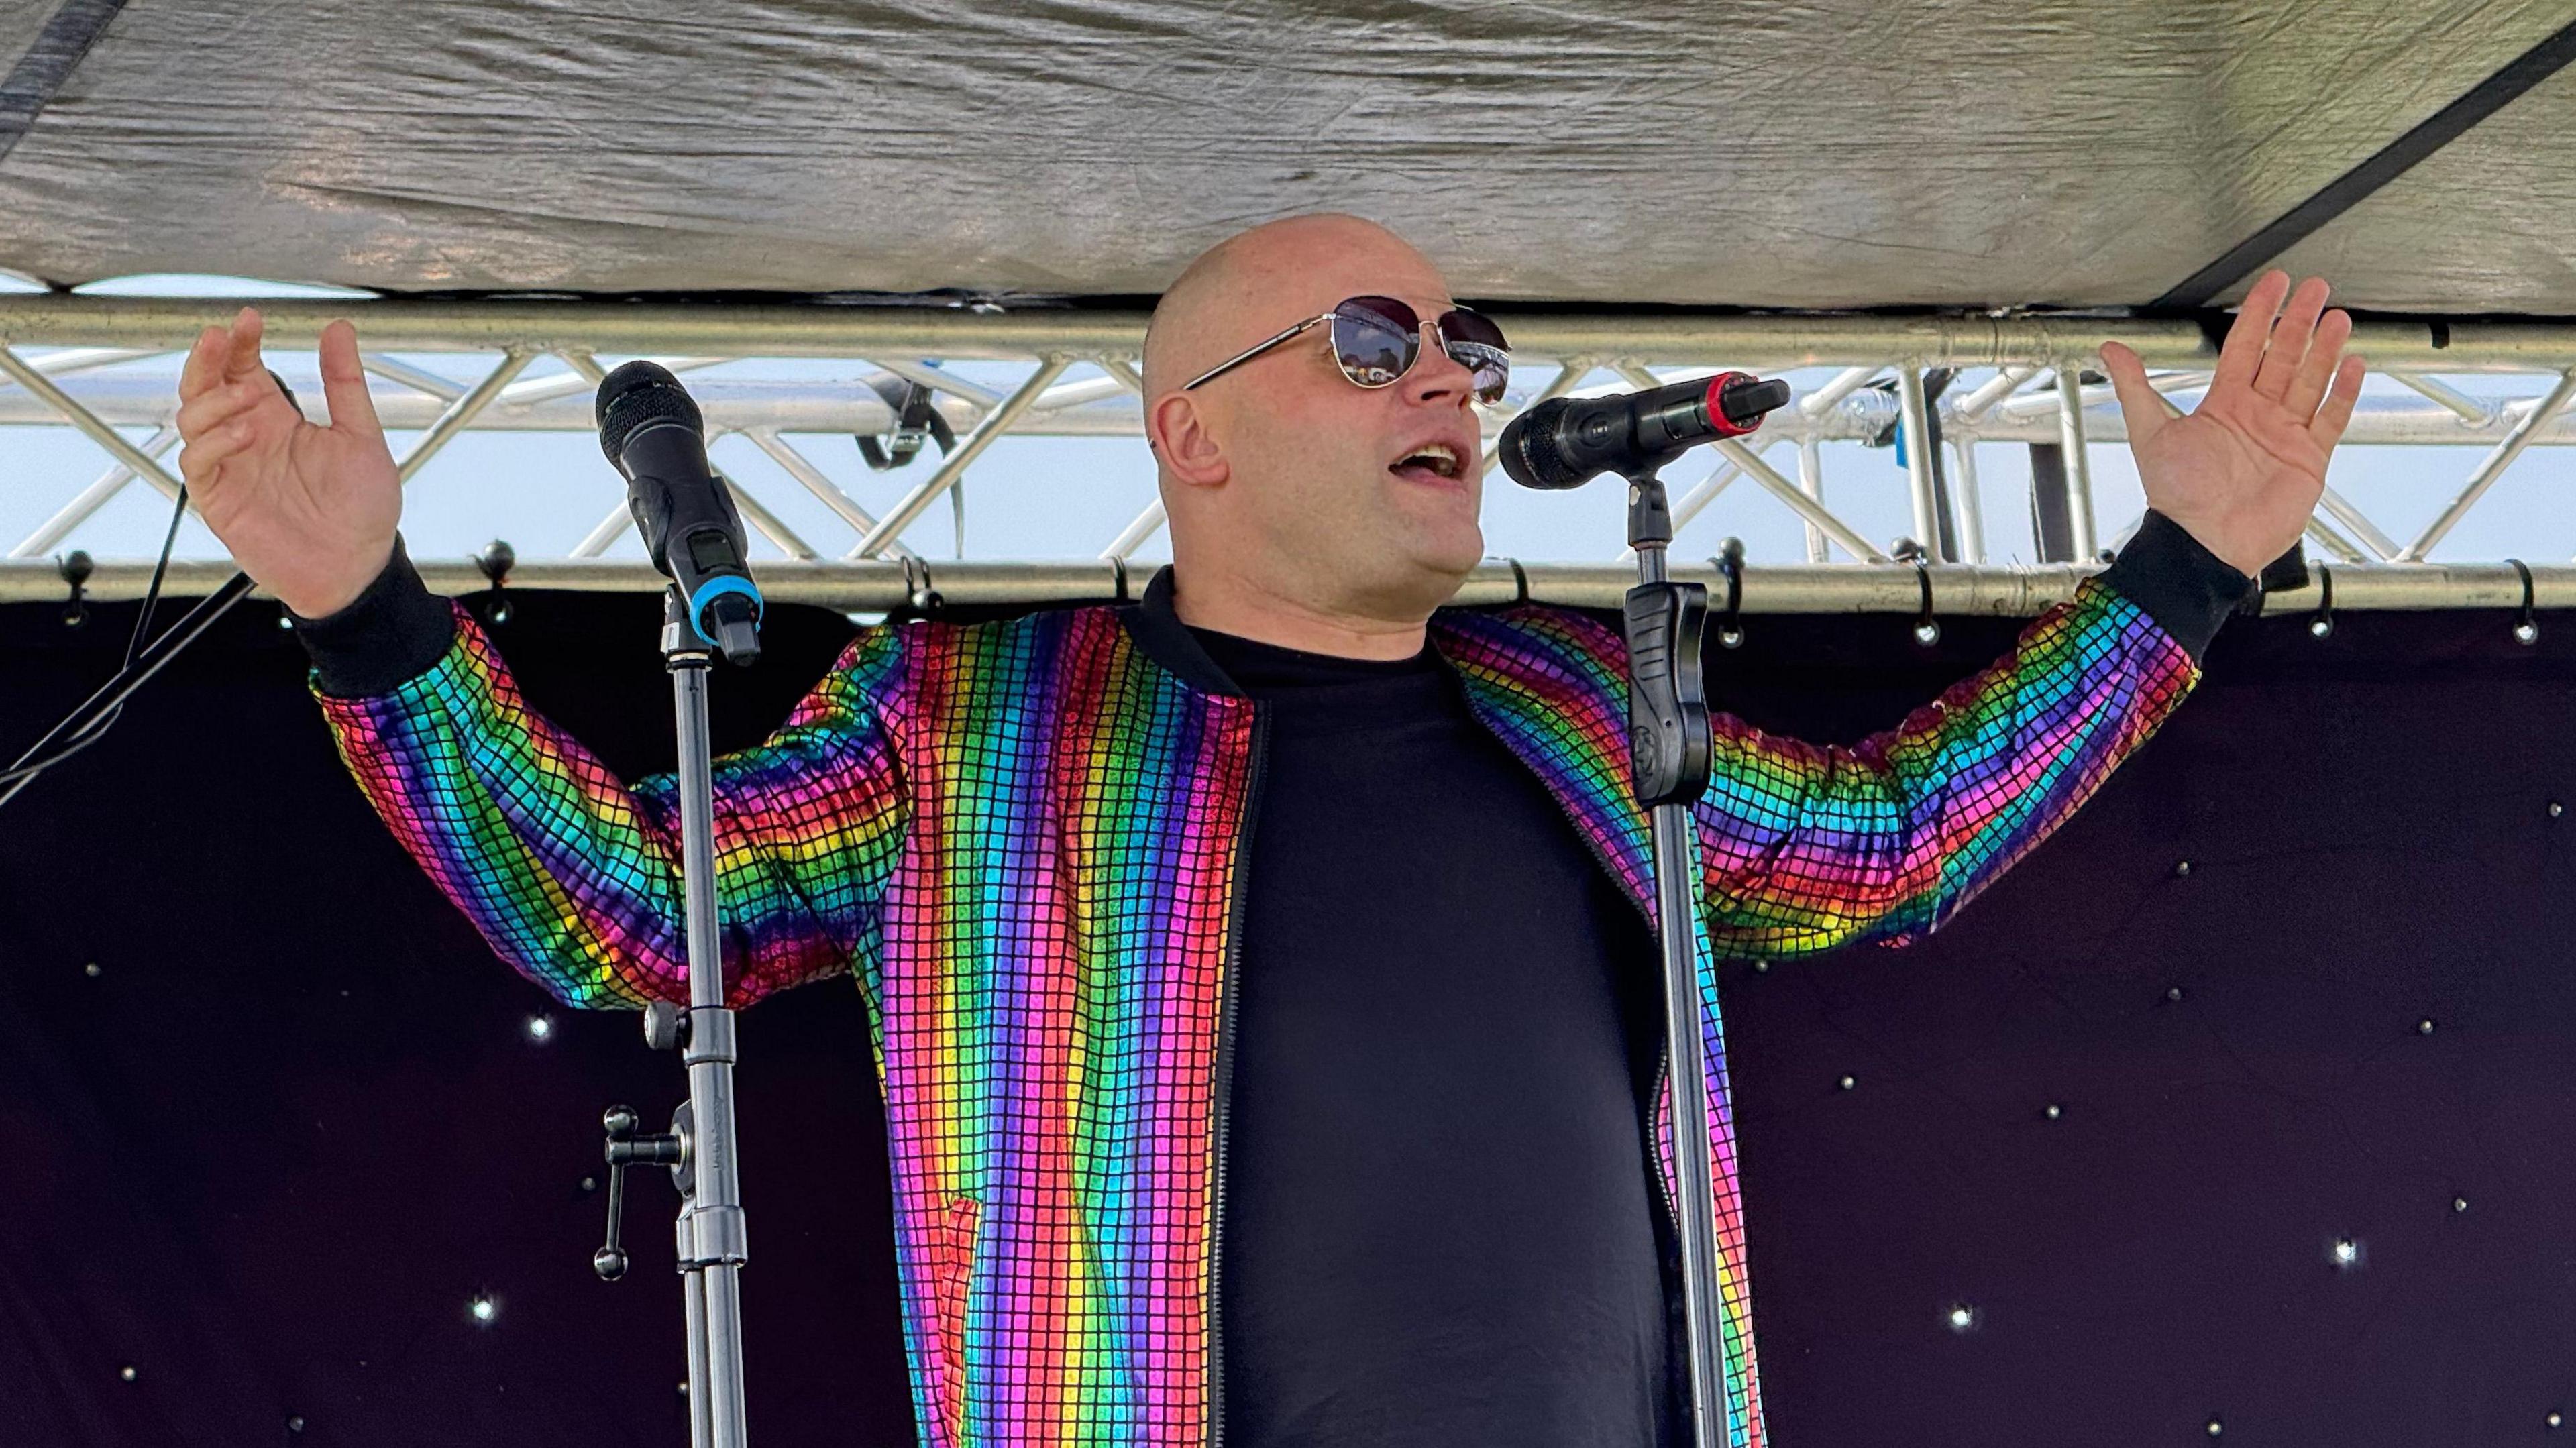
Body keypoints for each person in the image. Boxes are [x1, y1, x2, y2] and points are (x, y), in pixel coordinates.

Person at [174, 213, 2361, 1448]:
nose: (1454, 385)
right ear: (1190, 442)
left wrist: (2186, 570)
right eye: (1378, 341)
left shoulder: (1593, 706)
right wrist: (370, 616)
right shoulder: (982, 718)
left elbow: (1887, 831)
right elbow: (629, 904)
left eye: (1468, 349)